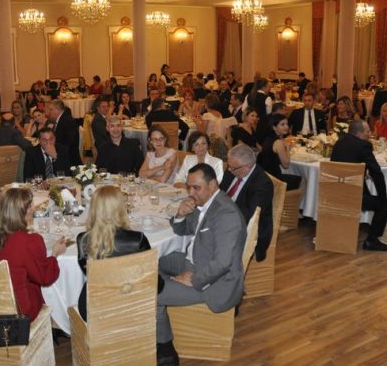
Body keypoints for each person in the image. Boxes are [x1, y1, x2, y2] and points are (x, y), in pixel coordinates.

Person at [156, 164, 246, 364]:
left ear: (212, 184)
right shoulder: (204, 203)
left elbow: (223, 263)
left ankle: (166, 349)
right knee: (156, 261)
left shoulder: (226, 214)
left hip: (215, 282)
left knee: (154, 293)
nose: (190, 192)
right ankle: (163, 309)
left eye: (196, 187)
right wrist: (180, 215)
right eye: (189, 187)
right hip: (195, 260)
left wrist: (195, 279)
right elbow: (184, 230)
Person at [76, 186, 161, 321]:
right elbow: (152, 279)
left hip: (93, 308)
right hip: (129, 305)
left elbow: (88, 273)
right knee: (159, 302)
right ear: (121, 209)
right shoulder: (137, 239)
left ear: (94, 209)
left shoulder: (83, 240)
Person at [0, 188, 66, 322]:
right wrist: (55, 254)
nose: (34, 209)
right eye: (30, 206)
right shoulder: (30, 242)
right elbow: (45, 277)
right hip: (21, 310)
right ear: (19, 213)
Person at [330, 120, 387, 251]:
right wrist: (382, 196)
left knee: (367, 193)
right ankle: (372, 241)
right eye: (367, 131)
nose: (370, 134)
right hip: (353, 196)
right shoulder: (363, 145)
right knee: (385, 204)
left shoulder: (338, 143)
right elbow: (376, 172)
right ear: (359, 134)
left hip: (334, 192)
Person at [220, 144, 274, 261]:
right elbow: (220, 192)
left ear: (247, 167)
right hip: (226, 216)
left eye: (233, 168)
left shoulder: (262, 184)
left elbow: (250, 216)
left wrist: (221, 214)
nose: (229, 170)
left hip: (247, 229)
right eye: (229, 166)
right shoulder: (233, 170)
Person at [257, 113, 302, 191]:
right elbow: (286, 165)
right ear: (274, 127)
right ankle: (288, 198)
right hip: (274, 180)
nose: (286, 127)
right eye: (282, 124)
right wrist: (287, 148)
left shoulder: (268, 138)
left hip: (264, 176)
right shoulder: (278, 142)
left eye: (287, 124)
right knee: (303, 180)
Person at [47, 100, 82, 166]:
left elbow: (69, 143)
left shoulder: (67, 121)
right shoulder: (61, 119)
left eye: (51, 109)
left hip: (69, 160)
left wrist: (54, 153)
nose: (49, 112)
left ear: (58, 109)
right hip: (62, 153)